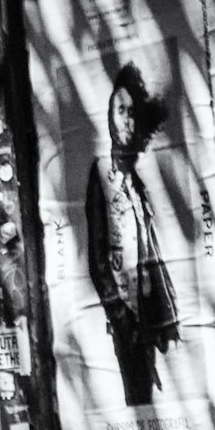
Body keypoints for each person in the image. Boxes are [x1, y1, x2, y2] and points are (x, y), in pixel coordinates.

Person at [86, 64, 180, 406]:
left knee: (148, 400)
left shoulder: (136, 184)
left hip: (148, 313)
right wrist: (122, 318)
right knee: (137, 398)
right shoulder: (101, 176)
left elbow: (148, 247)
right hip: (128, 320)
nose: (126, 120)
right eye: (120, 110)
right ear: (110, 116)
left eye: (131, 113)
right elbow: (98, 262)